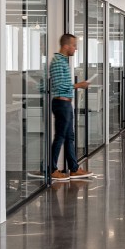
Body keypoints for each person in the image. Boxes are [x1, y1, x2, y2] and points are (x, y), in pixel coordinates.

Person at [47, 34, 92, 182]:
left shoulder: (63, 62)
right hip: (61, 104)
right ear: (66, 46)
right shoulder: (58, 62)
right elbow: (59, 86)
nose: (76, 48)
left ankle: (73, 168)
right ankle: (51, 169)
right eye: (74, 45)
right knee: (60, 137)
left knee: (69, 137)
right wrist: (79, 85)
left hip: (66, 103)